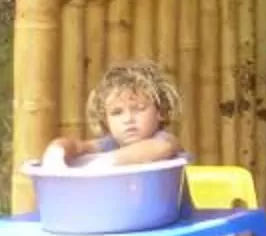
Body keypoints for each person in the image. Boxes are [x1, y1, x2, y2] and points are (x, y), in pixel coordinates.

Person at [44, 60, 184, 169]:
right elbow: (78, 146)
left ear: (160, 111)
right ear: (105, 119)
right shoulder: (111, 144)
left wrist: (106, 162)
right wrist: (56, 152)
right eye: (117, 113)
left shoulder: (163, 140)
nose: (128, 119)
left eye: (138, 109)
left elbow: (161, 148)